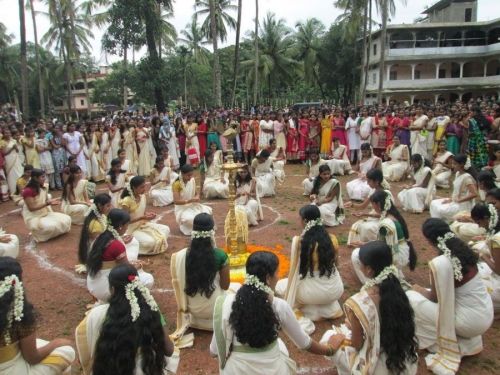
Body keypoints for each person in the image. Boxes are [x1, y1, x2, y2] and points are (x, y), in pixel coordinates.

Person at [210, 251, 346, 374]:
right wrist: (330, 349)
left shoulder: (224, 303)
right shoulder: (279, 306)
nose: (278, 276)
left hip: (235, 371)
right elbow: (305, 343)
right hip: (272, 370)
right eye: (277, 272)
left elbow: (214, 351)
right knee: (279, 345)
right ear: (268, 278)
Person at [407, 219, 493, 374]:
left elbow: (434, 298)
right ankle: (466, 342)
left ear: (429, 240)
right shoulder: (464, 251)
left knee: (411, 298)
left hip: (468, 322)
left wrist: (417, 289)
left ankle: (448, 343)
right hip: (485, 314)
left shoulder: (441, 262)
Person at [322, 241, 418, 375]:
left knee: (328, 337)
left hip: (377, 367)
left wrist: (351, 326)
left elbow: (357, 344)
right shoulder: (398, 289)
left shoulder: (358, 302)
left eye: (360, 263)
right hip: (405, 363)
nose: (359, 266)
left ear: (369, 270)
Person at [76, 263, 175, 375]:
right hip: (145, 369)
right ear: (137, 285)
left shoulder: (97, 314)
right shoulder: (151, 310)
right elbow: (169, 350)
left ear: (112, 289)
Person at [0, 257, 75, 374]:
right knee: (67, 350)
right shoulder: (20, 313)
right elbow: (32, 358)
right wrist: (56, 343)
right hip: (13, 371)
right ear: (17, 282)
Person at [275, 205, 344, 334]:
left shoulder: (301, 242)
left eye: (299, 218)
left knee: (280, 287)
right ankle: (327, 309)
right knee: (318, 292)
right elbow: (337, 265)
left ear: (305, 221)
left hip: (313, 293)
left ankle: (306, 315)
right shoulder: (332, 239)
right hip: (336, 290)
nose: (298, 221)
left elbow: (297, 273)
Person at [171, 214, 230, 347]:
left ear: (193, 231)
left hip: (192, 310)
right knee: (235, 289)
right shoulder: (220, 255)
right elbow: (225, 286)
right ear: (212, 232)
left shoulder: (182, 256)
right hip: (215, 310)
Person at [86, 208, 154, 302]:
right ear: (121, 226)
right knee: (148, 279)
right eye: (127, 224)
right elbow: (127, 270)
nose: (127, 227)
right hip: (106, 289)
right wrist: (140, 265)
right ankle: (120, 302)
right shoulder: (116, 245)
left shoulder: (100, 238)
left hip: (93, 283)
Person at [351, 190, 417, 283]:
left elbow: (383, 247)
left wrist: (364, 245)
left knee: (356, 255)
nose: (372, 207)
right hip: (402, 250)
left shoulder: (386, 224)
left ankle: (372, 283)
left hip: (397, 255)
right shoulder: (393, 215)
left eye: (372, 204)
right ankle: (396, 275)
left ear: (377, 204)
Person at [120, 176, 169, 255]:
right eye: (141, 187)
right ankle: (135, 247)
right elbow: (124, 222)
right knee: (150, 242)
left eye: (144, 186)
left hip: (142, 225)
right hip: (131, 230)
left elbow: (142, 211)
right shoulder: (126, 201)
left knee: (166, 229)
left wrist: (148, 214)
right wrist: (141, 217)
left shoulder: (142, 196)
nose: (144, 189)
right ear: (134, 188)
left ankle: (152, 243)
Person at [21, 169, 71, 242]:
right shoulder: (28, 191)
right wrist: (47, 203)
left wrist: (53, 201)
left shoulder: (43, 187)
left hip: (45, 213)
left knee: (67, 219)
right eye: (42, 177)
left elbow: (46, 201)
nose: (45, 179)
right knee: (51, 226)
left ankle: (48, 233)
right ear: (35, 178)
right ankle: (39, 235)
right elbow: (31, 208)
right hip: (34, 217)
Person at [346, 168, 392, 245]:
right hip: (375, 216)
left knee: (366, 228)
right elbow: (362, 206)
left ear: (377, 182)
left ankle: (371, 244)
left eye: (369, 181)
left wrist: (366, 214)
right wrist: (352, 204)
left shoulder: (386, 194)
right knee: (356, 225)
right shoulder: (372, 191)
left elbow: (386, 215)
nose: (367, 184)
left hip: (384, 219)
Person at [430, 154, 478, 222]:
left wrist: (459, 200)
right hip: (455, 201)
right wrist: (450, 199)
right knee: (434, 203)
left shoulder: (467, 178)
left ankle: (440, 223)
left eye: (455, 164)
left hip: (462, 205)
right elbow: (456, 191)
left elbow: (474, 194)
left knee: (439, 209)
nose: (452, 166)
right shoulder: (457, 174)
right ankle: (439, 222)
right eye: (452, 163)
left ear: (461, 164)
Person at [470, 203, 500, 311]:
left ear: (486, 218)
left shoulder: (496, 240)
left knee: (470, 287)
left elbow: (498, 270)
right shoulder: (495, 232)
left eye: (479, 222)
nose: (479, 226)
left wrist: (482, 256)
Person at [173, 164, 212, 236]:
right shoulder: (176, 184)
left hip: (193, 205)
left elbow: (196, 193)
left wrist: (197, 197)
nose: (190, 177)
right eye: (188, 175)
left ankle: (200, 228)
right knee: (191, 219)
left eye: (191, 175)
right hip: (182, 209)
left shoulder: (192, 180)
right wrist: (190, 200)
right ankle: (184, 227)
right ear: (182, 174)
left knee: (208, 212)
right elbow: (176, 201)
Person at [0, 127, 23, 197]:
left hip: (16, 159)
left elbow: (17, 151)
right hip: (8, 159)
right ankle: (14, 191)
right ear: (3, 134)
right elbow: (4, 153)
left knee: (20, 173)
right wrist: (12, 148)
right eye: (6, 133)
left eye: (9, 133)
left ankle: (22, 190)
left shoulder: (13, 140)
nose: (8, 134)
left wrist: (15, 148)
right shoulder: (2, 142)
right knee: (11, 175)